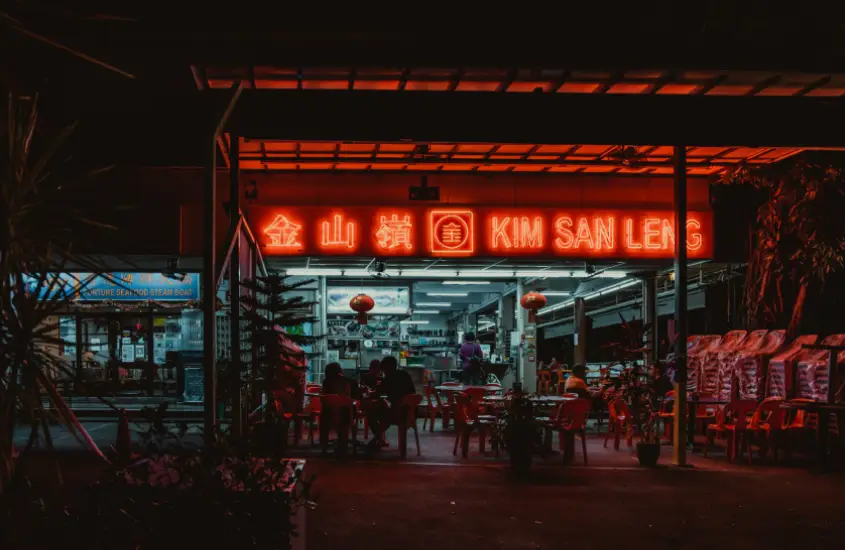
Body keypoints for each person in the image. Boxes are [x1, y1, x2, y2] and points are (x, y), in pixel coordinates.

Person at [367, 356, 416, 448]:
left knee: (371, 413)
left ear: (386, 368)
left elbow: (377, 393)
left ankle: (378, 437)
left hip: (398, 413)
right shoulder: (404, 374)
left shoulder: (388, 379)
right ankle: (379, 437)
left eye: (383, 369)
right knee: (383, 410)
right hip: (411, 411)